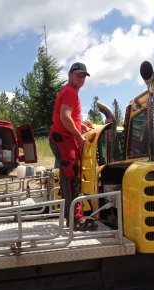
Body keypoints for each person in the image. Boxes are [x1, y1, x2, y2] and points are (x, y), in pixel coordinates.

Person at [49, 62, 97, 230]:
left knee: (66, 178)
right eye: (79, 74)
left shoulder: (70, 91)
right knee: (71, 178)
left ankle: (71, 218)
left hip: (61, 137)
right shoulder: (70, 91)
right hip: (64, 139)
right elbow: (64, 117)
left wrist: (81, 126)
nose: (82, 78)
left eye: (84, 75)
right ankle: (76, 219)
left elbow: (69, 118)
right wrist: (79, 136)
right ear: (70, 75)